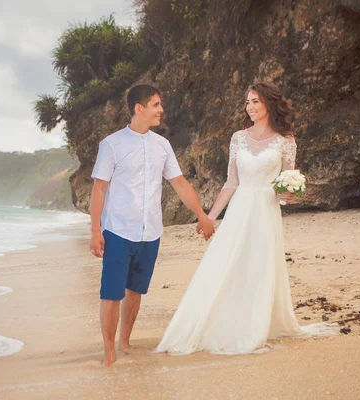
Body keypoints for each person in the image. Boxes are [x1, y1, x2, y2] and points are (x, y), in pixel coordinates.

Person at [155, 81, 336, 355]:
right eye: (248, 102)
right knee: (228, 263)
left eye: (255, 101)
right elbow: (231, 183)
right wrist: (210, 217)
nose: (249, 107)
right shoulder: (238, 138)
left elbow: (285, 184)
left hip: (265, 209)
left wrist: (289, 195)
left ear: (269, 104)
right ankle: (225, 321)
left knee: (259, 265)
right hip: (240, 208)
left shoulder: (286, 141)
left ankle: (255, 325)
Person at [89, 84, 215, 366]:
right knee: (111, 293)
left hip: (151, 232)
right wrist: (96, 231)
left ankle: (125, 341)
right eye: (156, 104)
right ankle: (109, 350)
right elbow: (99, 190)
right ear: (139, 108)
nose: (161, 110)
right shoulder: (111, 145)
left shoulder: (162, 146)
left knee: (136, 290)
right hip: (118, 231)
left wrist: (201, 215)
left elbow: (179, 184)